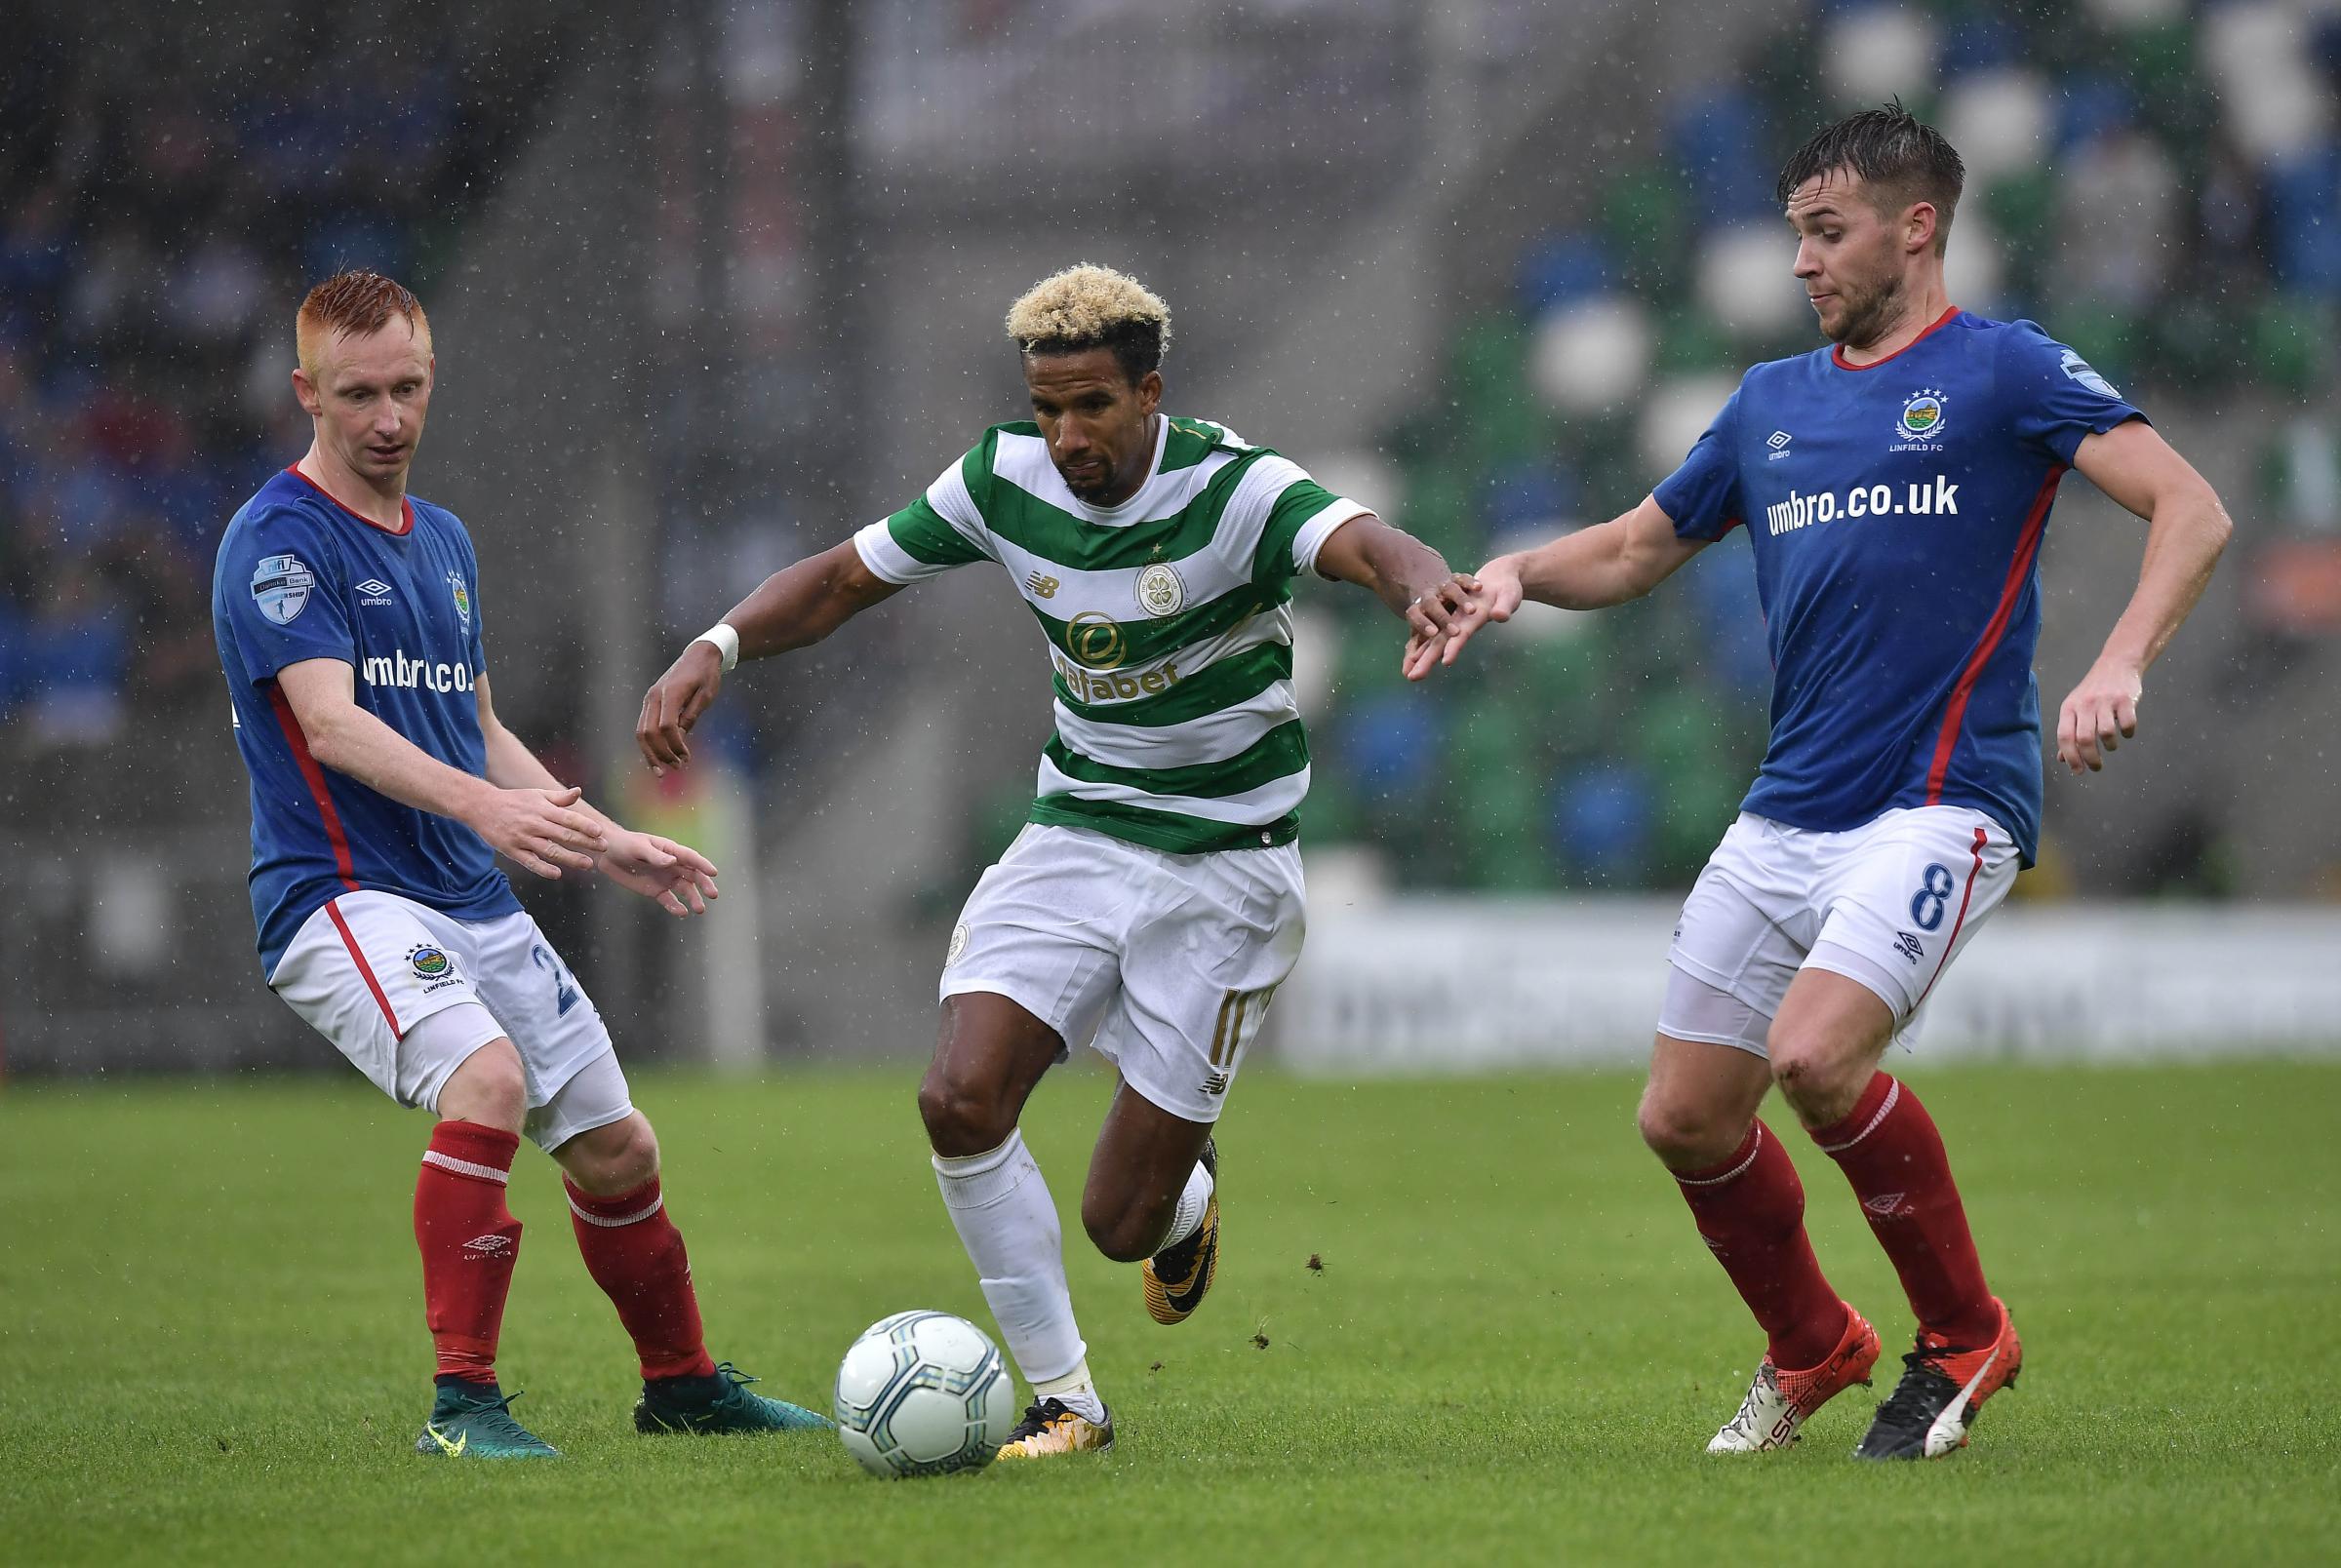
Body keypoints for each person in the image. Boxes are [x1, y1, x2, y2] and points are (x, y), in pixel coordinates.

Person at [1415, 107, 2231, 1460]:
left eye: (1828, 232)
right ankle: (1813, 1347)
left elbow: (2190, 506)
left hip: (1944, 801)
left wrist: (2120, 662)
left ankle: (1965, 1334)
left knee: (1812, 1056)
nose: (1802, 262)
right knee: (1682, 1118)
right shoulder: (1769, 406)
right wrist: (1513, 575)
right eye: (1797, 232)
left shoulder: (2003, 371)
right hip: (1788, 810)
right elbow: (1630, 549)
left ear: (1917, 228)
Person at [639, 263, 1470, 1459]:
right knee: (956, 1098)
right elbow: (836, 582)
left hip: (1227, 870)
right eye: (1048, 408)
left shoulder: (1236, 490)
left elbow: (1368, 541)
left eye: (1092, 406)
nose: (1067, 435)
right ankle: (1068, 1399)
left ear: (1151, 393)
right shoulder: (1000, 478)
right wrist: (715, 644)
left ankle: (1180, 1186)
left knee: (1120, 1224)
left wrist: (1424, 585)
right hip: (1078, 833)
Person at [212, 270, 830, 1459]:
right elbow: (332, 728)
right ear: (306, 395)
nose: (389, 417)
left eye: (407, 387)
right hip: (341, 896)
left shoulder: (442, 541)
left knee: (620, 1147)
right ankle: (463, 1408)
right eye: (358, 395)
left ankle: (684, 1386)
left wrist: (605, 842)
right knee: (486, 1084)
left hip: (466, 897)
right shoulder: (277, 541)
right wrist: (488, 815)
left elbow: (478, 729)